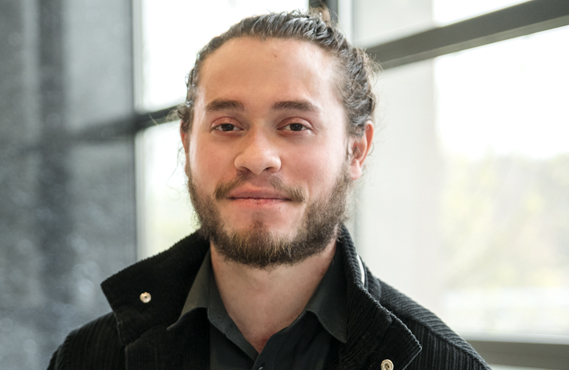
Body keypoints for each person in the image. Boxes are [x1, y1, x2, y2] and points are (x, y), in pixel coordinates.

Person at [48, 9, 488, 370]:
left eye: (295, 125)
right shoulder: (87, 359)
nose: (257, 156)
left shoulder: (443, 364)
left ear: (356, 151)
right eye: (226, 126)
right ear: (187, 145)